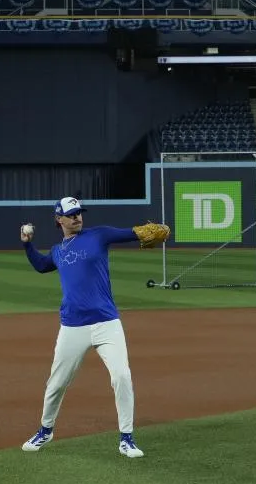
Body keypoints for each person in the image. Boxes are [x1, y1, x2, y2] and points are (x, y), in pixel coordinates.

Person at [18, 197, 169, 459]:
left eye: (79, 213)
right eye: (71, 214)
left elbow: (129, 233)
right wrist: (27, 244)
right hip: (72, 326)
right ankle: (46, 430)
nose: (77, 217)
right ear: (59, 219)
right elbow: (41, 266)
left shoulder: (99, 235)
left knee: (121, 376)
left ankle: (127, 438)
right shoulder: (57, 251)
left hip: (107, 322)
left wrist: (142, 232)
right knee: (56, 383)